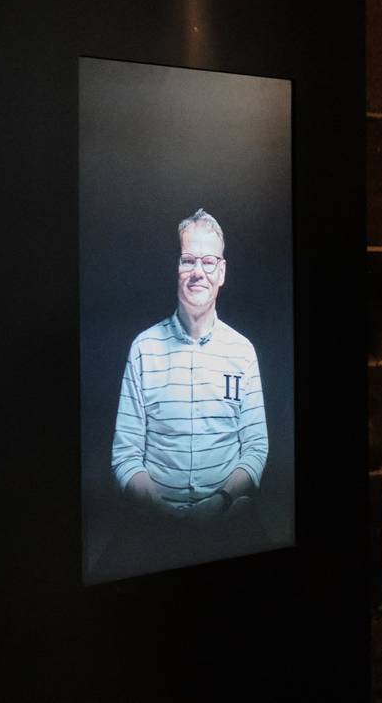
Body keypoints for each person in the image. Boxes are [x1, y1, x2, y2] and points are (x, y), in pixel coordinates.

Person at [111, 208, 267, 550]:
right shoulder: (144, 348)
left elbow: (256, 448)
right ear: (177, 268)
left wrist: (220, 503)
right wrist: (161, 510)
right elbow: (125, 455)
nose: (198, 272)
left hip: (227, 521)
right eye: (188, 260)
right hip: (152, 526)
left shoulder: (243, 352)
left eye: (208, 262)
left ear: (221, 272)